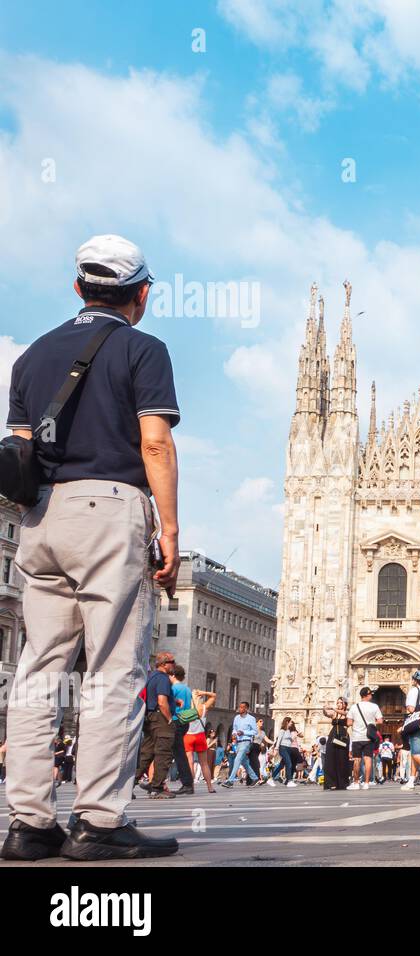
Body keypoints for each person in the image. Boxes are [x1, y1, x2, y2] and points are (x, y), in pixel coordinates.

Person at [2, 235, 180, 861]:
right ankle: (98, 824)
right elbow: (154, 443)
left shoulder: (30, 358)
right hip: (109, 510)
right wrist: (170, 530)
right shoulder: (143, 349)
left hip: (41, 515)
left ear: (78, 288)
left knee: (38, 670)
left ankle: (27, 825)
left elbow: (19, 447)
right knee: (111, 668)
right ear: (142, 294)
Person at [135, 651, 178, 799]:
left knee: (146, 753)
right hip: (161, 719)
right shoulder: (163, 678)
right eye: (172, 662)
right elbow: (161, 701)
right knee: (163, 753)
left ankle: (128, 785)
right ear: (164, 664)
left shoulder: (151, 676)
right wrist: (170, 719)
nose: (174, 665)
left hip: (150, 718)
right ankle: (157, 788)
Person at [178, 669, 217, 793]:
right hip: (200, 736)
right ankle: (210, 787)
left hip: (188, 735)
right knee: (204, 763)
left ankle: (191, 787)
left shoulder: (186, 707)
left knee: (190, 762)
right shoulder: (203, 707)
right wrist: (202, 692)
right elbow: (214, 695)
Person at [167, 664, 197, 795]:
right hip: (185, 721)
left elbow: (169, 702)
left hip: (175, 720)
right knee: (178, 752)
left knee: (178, 753)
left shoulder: (173, 688)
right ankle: (187, 783)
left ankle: (187, 783)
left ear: (173, 675)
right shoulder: (186, 689)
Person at [347, 687, 383, 790]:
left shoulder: (354, 707)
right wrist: (371, 724)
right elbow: (380, 721)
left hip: (357, 737)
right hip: (369, 737)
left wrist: (357, 723)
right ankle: (367, 783)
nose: (371, 695)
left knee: (357, 760)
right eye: (370, 694)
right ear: (367, 695)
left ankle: (356, 783)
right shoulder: (374, 706)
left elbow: (349, 723)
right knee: (368, 759)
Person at [221, 702, 259, 788]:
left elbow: (255, 732)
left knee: (237, 759)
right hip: (238, 742)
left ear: (246, 709)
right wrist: (234, 734)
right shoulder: (236, 718)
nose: (240, 709)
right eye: (240, 707)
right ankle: (255, 777)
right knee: (244, 762)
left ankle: (230, 781)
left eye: (242, 707)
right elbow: (234, 728)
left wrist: (243, 732)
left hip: (246, 742)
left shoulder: (251, 718)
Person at [321, 698, 351, 790]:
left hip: (343, 737)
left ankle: (342, 783)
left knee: (342, 759)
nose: (338, 704)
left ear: (344, 704)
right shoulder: (335, 714)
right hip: (333, 736)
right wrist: (325, 708)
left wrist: (333, 708)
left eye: (340, 703)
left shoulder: (348, 712)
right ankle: (331, 783)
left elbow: (346, 715)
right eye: (337, 703)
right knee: (330, 759)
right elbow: (326, 714)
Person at [274, 718, 300, 788]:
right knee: (289, 763)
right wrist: (276, 748)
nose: (292, 723)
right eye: (291, 722)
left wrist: (296, 736)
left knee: (281, 765)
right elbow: (279, 740)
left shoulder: (288, 731)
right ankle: (289, 781)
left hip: (288, 748)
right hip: (283, 748)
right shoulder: (282, 730)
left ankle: (271, 778)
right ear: (287, 722)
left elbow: (291, 740)